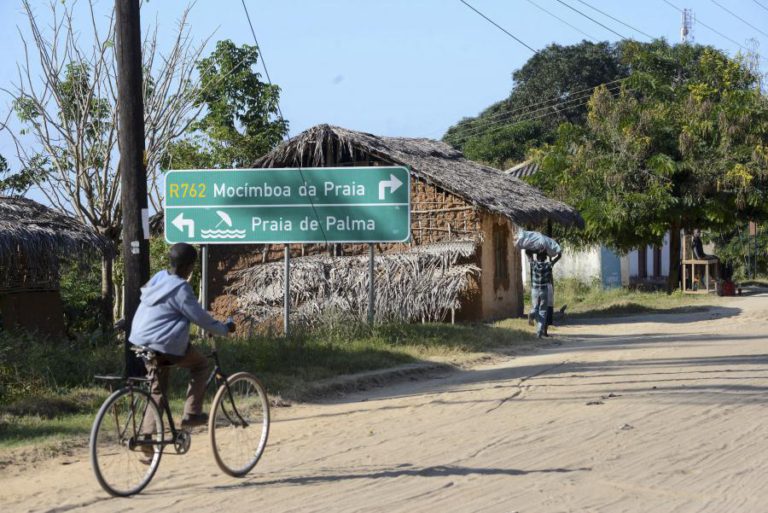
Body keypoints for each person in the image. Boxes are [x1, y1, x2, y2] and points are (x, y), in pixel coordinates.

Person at [130, 242, 234, 430]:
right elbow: (200, 318)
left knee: (157, 389)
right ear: (189, 266)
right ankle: (192, 414)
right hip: (162, 343)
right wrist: (224, 329)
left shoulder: (158, 277)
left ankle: (147, 436)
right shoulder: (181, 288)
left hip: (139, 338)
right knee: (201, 365)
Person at [528, 251, 558, 338]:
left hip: (535, 290)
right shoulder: (548, 265)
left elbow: (528, 254)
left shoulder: (533, 264)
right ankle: (539, 333)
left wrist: (531, 250)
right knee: (543, 311)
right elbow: (557, 258)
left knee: (535, 307)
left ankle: (532, 313)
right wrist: (558, 254)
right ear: (545, 258)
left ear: (537, 257)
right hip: (544, 290)